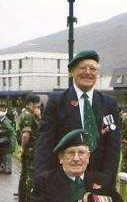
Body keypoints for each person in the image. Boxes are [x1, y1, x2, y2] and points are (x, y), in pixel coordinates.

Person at [35, 50, 121, 184]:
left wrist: (107, 180)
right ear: (72, 72)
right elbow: (44, 144)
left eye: (93, 69)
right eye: (82, 68)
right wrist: (43, 181)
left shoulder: (108, 104)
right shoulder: (56, 101)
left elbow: (113, 147)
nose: (88, 72)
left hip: (97, 179)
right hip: (62, 180)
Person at [18, 94, 41, 202]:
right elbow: (26, 135)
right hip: (31, 149)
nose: (39, 106)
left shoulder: (27, 114)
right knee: (30, 175)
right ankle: (28, 199)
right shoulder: (29, 115)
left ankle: (22, 198)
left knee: (24, 173)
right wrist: (23, 147)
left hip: (29, 149)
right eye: (37, 104)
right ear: (31, 103)